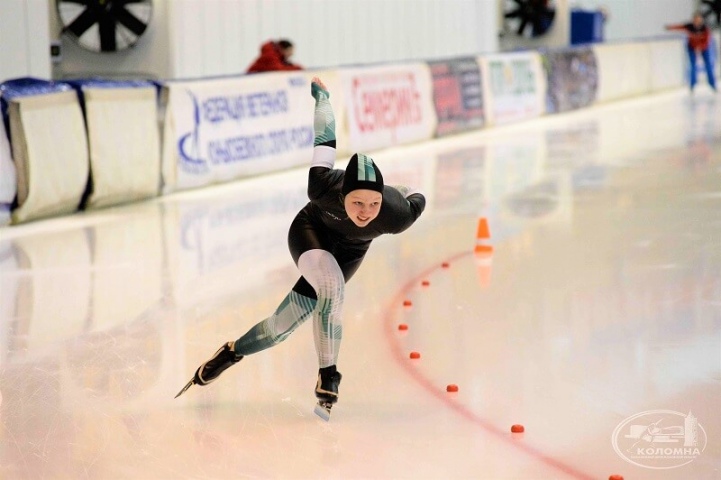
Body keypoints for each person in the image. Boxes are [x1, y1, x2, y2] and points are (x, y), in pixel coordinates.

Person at [176, 77, 426, 414]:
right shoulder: (322, 186)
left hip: (350, 252)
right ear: (342, 194)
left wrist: (401, 191)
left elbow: (416, 196)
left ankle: (231, 352)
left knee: (281, 328)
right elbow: (325, 136)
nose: (365, 213)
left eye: (373, 205)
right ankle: (329, 375)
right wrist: (321, 96)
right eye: (356, 203)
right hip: (311, 232)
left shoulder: (396, 216)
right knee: (331, 286)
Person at [666, 12, 717, 93]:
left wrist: (700, 47)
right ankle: (692, 85)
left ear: (701, 20)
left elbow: (707, 40)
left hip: (704, 48)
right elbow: (679, 27)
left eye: (698, 19)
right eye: (695, 19)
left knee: (708, 64)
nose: (697, 21)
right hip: (692, 47)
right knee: (692, 65)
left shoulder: (705, 29)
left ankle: (713, 84)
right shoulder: (689, 27)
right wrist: (669, 28)